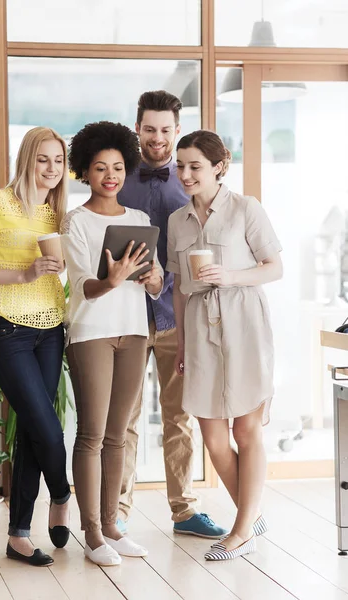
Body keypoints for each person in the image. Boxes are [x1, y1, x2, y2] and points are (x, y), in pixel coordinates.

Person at [0, 127, 71, 567]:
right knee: (47, 429)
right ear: (26, 159)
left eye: (58, 161)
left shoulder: (56, 212)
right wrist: (21, 276)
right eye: (43, 159)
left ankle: (18, 535)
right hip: (5, 328)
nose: (51, 168)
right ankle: (62, 494)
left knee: (31, 430)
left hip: (50, 327)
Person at [167, 129, 283, 561]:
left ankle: (241, 532)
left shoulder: (245, 209)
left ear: (220, 165)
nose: (185, 174)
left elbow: (274, 267)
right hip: (199, 329)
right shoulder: (177, 221)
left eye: (194, 166)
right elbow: (179, 288)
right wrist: (180, 345)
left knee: (246, 429)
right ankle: (250, 518)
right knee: (213, 438)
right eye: (181, 166)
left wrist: (229, 276)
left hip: (244, 322)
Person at [117, 90, 227, 539]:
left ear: (176, 130)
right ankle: (116, 512)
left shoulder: (192, 180)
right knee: (122, 418)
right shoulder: (119, 178)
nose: (157, 138)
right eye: (149, 128)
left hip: (177, 317)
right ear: (137, 127)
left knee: (179, 416)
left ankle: (183, 511)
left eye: (165, 130)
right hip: (124, 314)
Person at [61, 121, 163, 567]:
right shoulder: (76, 220)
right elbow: (82, 284)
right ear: (85, 170)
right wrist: (111, 279)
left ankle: (113, 525)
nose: (110, 175)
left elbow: (153, 281)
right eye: (100, 167)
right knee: (92, 435)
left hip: (134, 332)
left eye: (118, 167)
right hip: (91, 334)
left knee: (119, 436)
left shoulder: (139, 220)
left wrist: (155, 279)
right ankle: (92, 533)